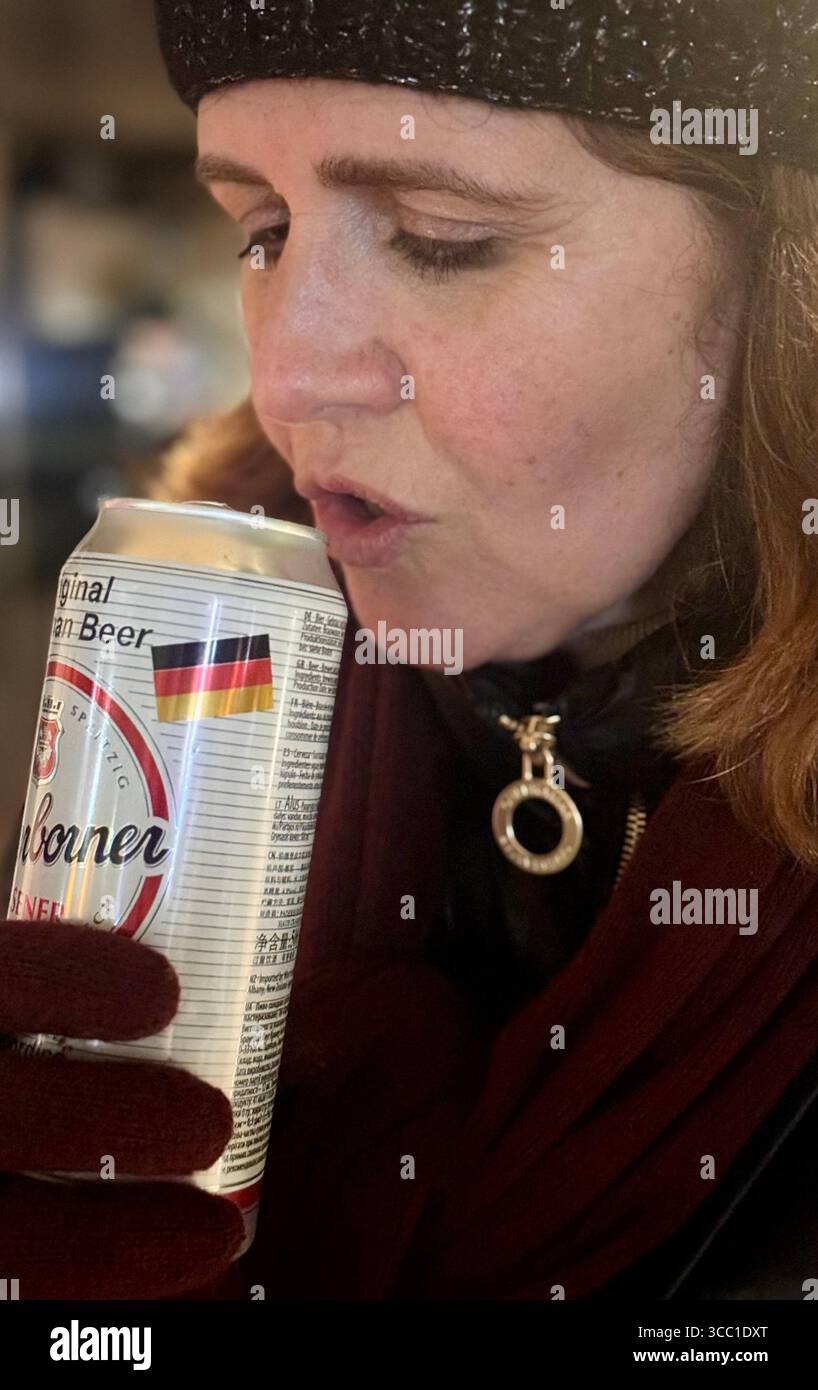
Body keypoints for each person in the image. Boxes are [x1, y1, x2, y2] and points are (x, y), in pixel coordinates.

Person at [3, 0, 818, 1300]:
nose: (283, 382)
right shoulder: (196, 668)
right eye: (260, 232)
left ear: (780, 284)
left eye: (444, 242)